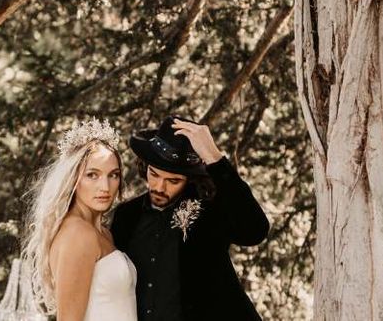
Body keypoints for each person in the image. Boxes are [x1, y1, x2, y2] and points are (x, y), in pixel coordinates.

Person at [111, 115, 270, 321]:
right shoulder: (127, 215)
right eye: (154, 174)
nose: (159, 187)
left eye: (173, 180)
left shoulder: (209, 211)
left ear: (189, 179)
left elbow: (254, 231)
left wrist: (214, 157)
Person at [23, 118, 137, 321]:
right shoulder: (78, 234)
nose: (105, 186)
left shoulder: (102, 232)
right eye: (92, 175)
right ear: (74, 179)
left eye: (113, 175)